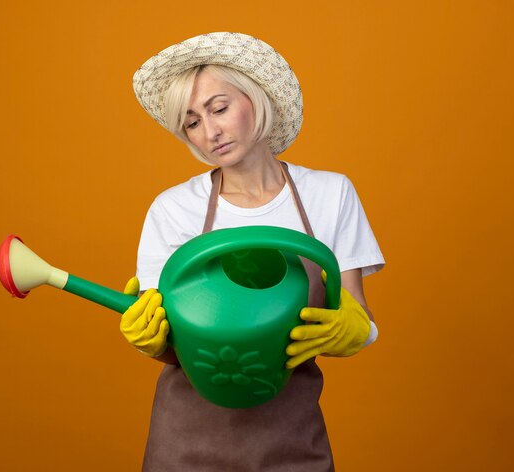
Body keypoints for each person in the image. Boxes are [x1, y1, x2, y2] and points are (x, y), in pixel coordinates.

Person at [120, 32, 385, 471]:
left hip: (292, 437)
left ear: (256, 99)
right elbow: (173, 349)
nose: (211, 132)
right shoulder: (173, 209)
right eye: (192, 122)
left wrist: (357, 331)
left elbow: (358, 316)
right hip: (187, 442)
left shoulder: (330, 194)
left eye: (219, 108)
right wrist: (150, 341)